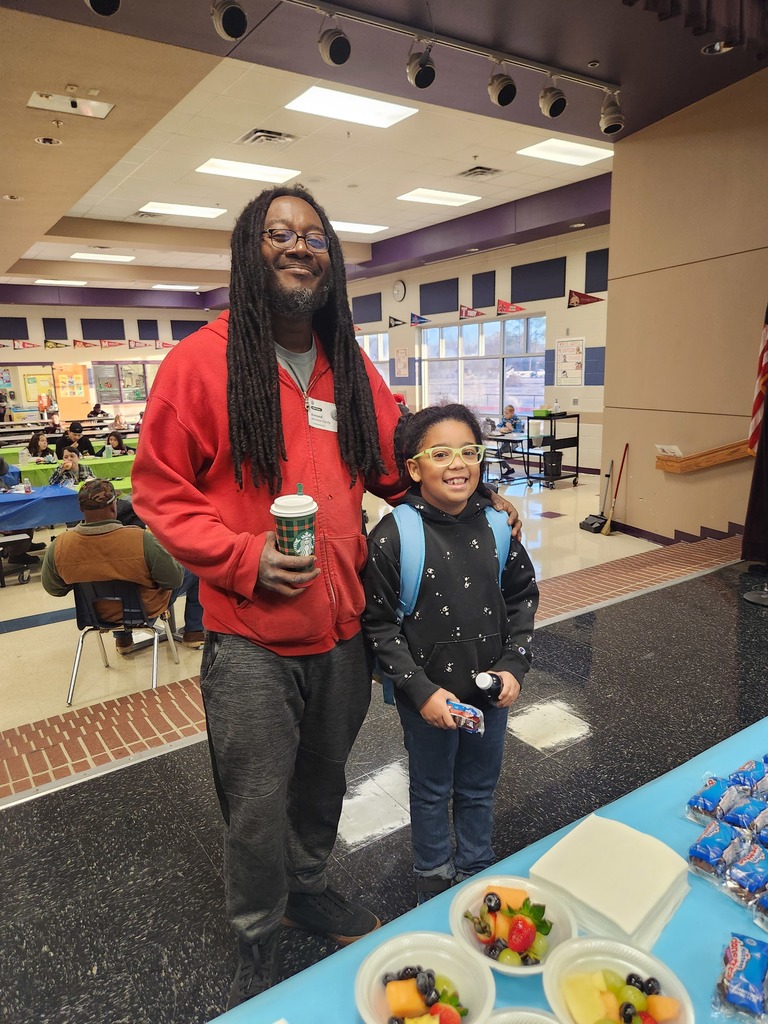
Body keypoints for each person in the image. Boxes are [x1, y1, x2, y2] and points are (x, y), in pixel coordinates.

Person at [131, 183, 524, 1009]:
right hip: (249, 637)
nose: (299, 245)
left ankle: (307, 886)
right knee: (256, 799)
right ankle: (255, 925)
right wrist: (241, 558)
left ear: (331, 259)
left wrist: (470, 494)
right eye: (278, 233)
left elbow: (395, 463)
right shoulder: (200, 363)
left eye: (313, 235)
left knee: (322, 782)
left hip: (343, 627)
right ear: (250, 251)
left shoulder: (349, 364)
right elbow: (161, 493)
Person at [362, 403, 538, 904]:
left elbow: (521, 597)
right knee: (433, 789)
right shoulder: (394, 535)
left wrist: (513, 667)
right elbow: (378, 625)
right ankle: (434, 874)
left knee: (481, 787)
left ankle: (476, 868)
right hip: (431, 701)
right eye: (441, 454)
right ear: (415, 468)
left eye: (468, 452)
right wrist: (419, 691)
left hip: (490, 695)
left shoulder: (499, 528)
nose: (457, 464)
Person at [41, 479, 205, 653]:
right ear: (114, 507)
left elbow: (54, 589)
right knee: (196, 570)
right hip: (144, 611)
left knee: (110, 586)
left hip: (95, 613)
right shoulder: (140, 539)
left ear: (81, 509)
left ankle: (123, 641)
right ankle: (194, 632)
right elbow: (173, 580)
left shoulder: (60, 545)